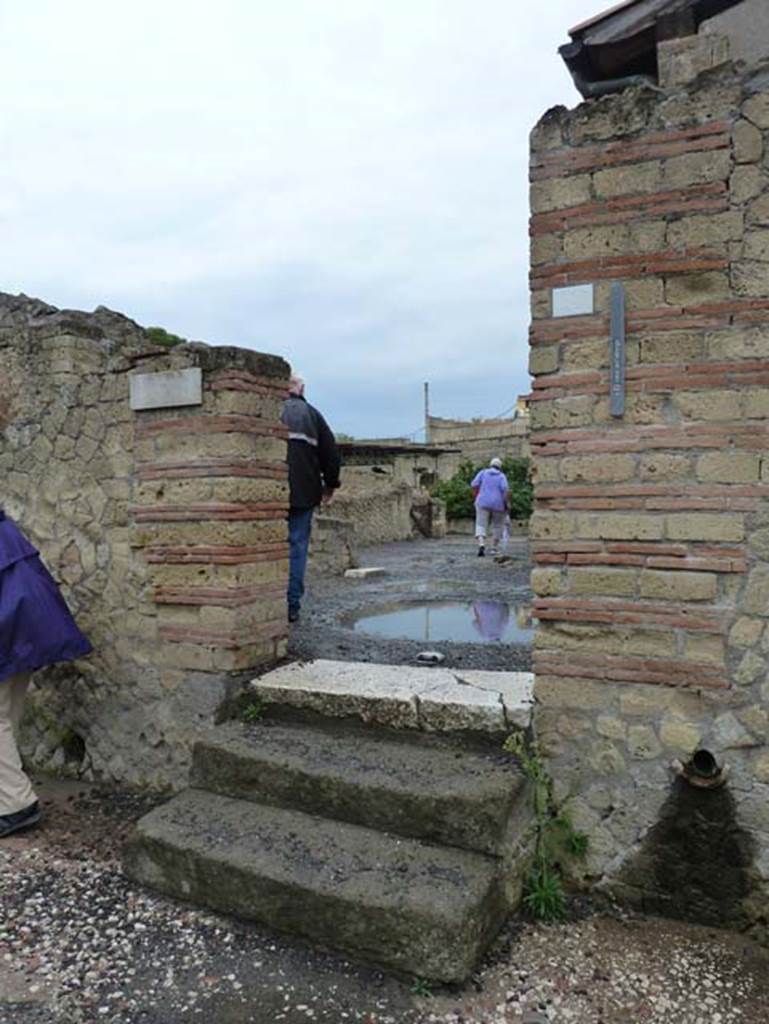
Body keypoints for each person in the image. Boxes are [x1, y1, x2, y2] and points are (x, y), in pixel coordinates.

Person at [0, 509, 92, 837]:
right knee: (7, 714)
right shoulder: (5, 529)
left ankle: (15, 805)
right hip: (25, 630)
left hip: (9, 629)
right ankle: (7, 795)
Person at [281, 373, 341, 623]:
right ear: (302, 389)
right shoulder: (313, 415)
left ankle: (268, 599)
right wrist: (330, 485)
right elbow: (331, 454)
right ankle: (291, 605)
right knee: (297, 547)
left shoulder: (269, 411)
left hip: (269, 492)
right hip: (304, 492)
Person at [471, 457, 510, 558]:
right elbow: (505, 491)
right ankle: (494, 548)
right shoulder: (502, 476)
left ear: (490, 465)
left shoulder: (483, 473)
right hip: (498, 504)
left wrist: (476, 498)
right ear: (500, 467)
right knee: (498, 526)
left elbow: (474, 485)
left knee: (481, 524)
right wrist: (506, 504)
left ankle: (481, 544)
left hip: (482, 501)